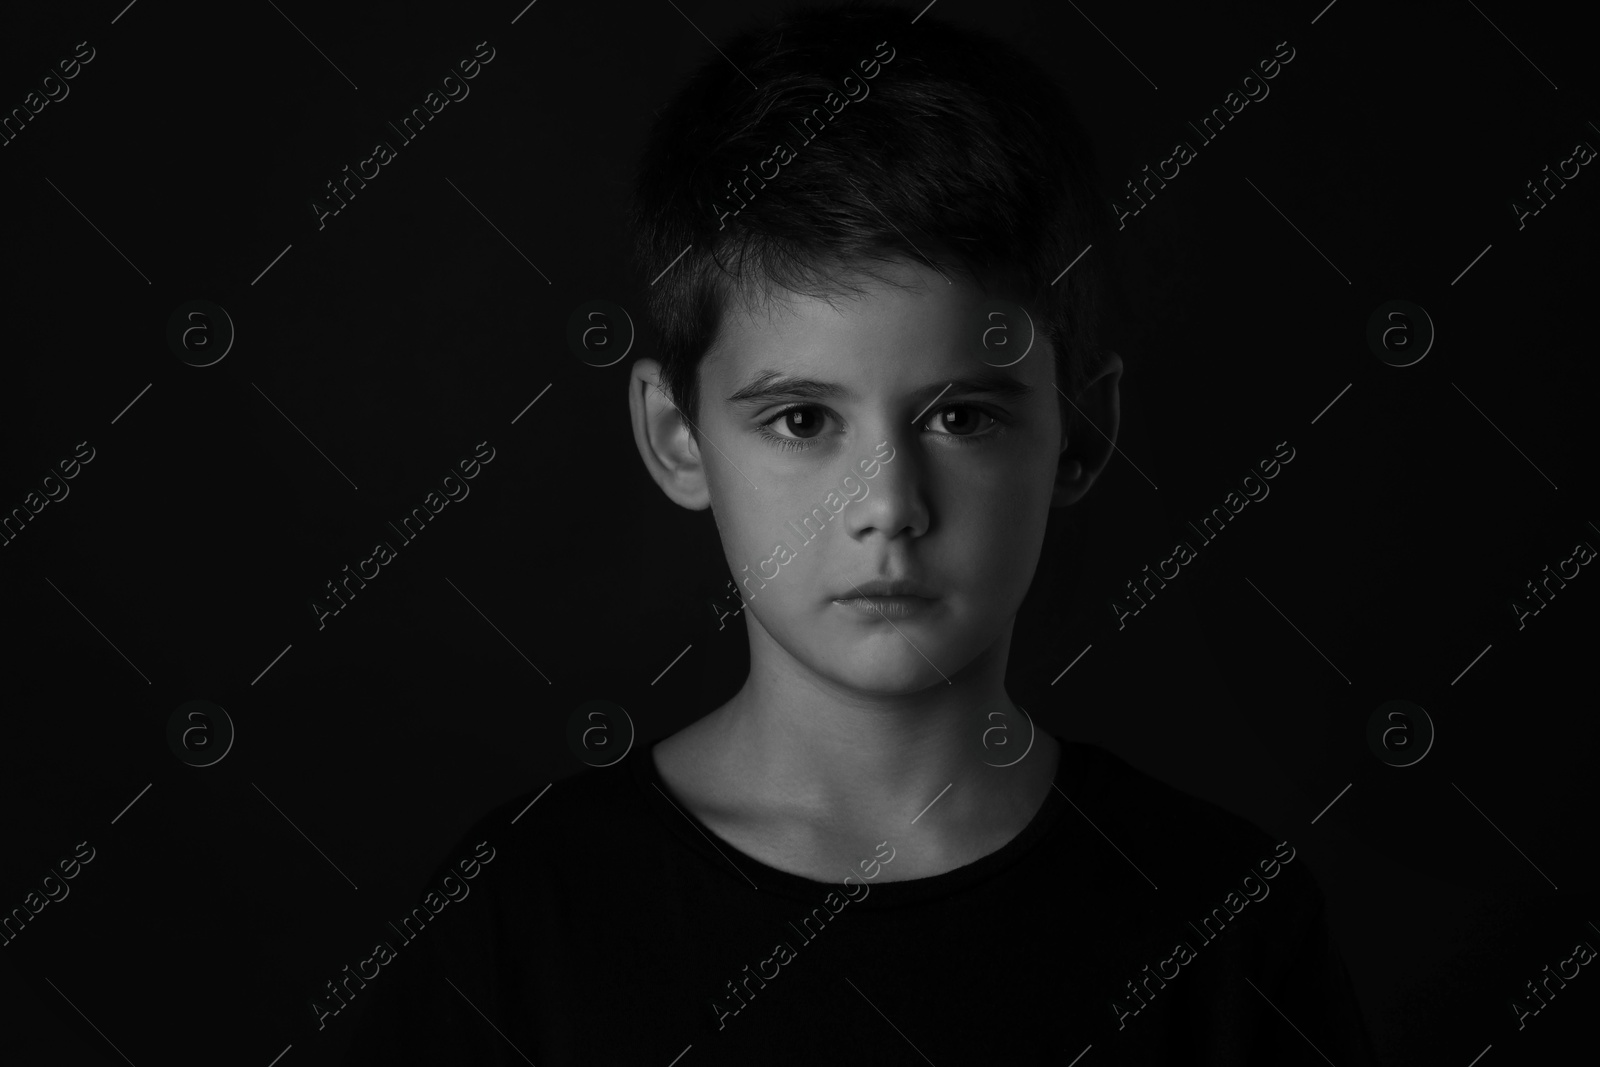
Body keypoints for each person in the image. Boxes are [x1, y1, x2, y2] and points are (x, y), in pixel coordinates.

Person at [344, 3, 1378, 1062]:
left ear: (1078, 433)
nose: (888, 506)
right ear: (677, 435)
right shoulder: (519, 916)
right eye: (802, 419)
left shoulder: (1225, 925)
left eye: (960, 416)